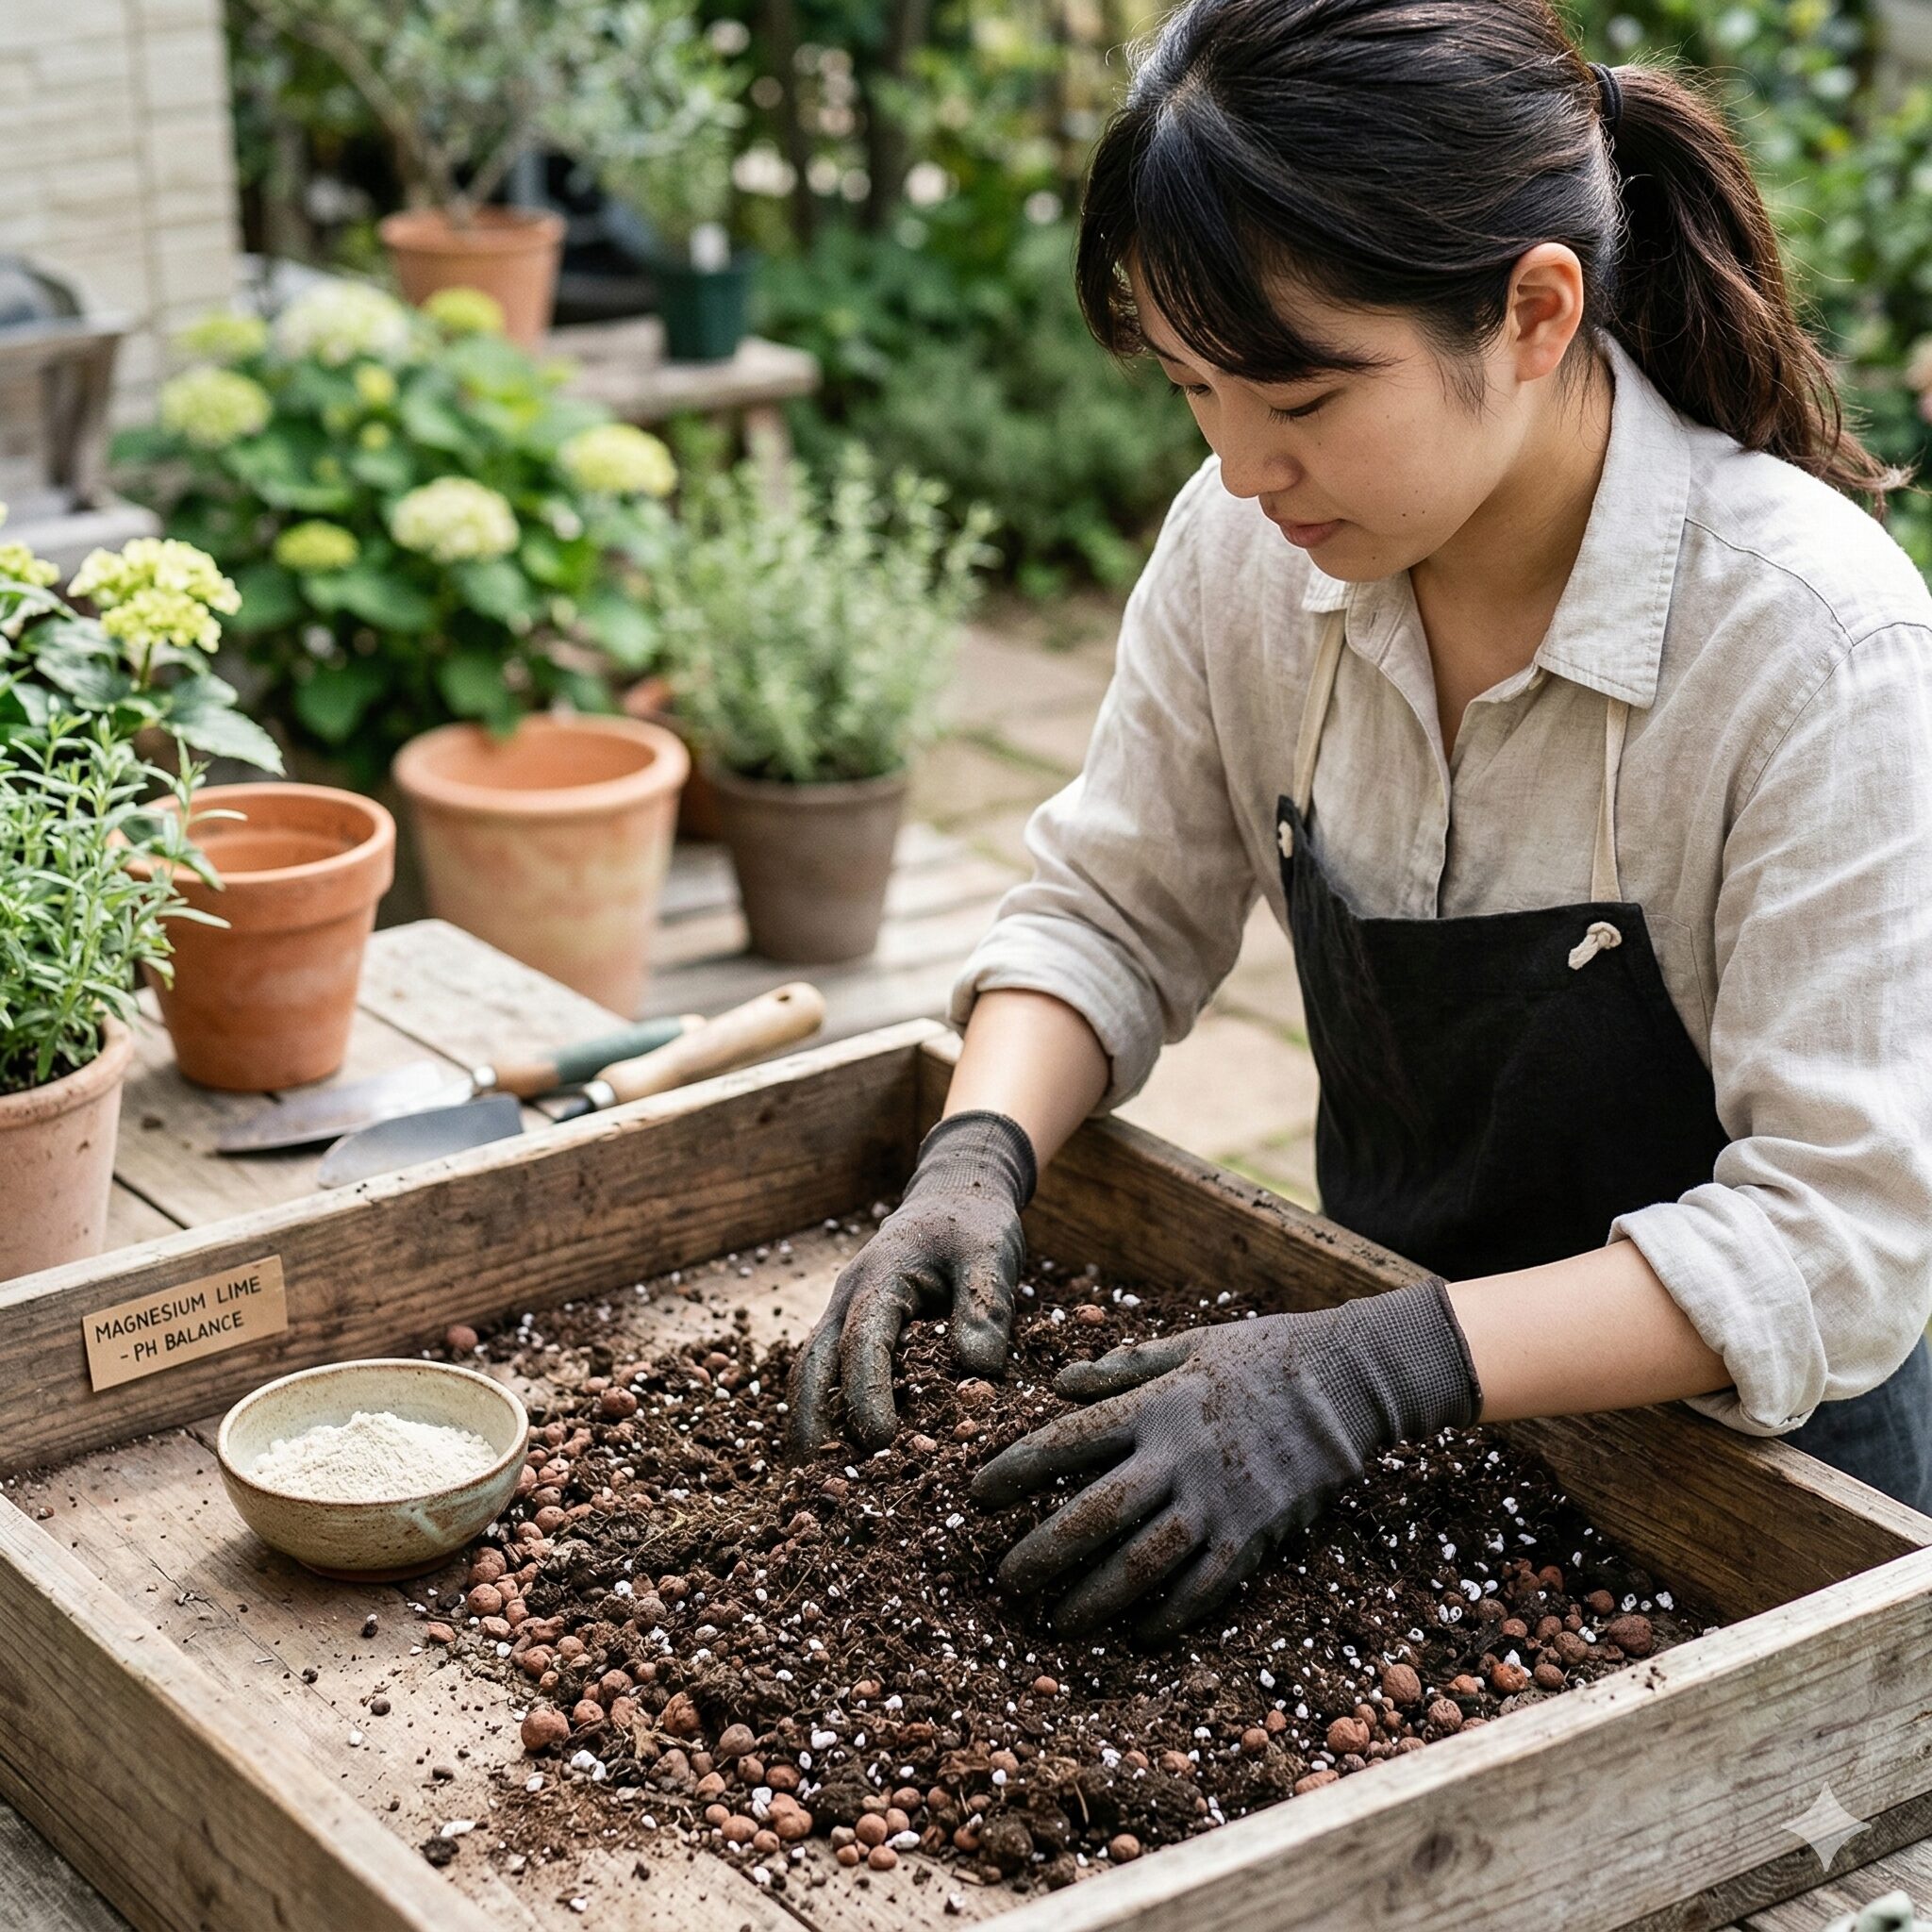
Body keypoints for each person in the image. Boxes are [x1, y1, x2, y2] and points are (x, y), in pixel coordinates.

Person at [788, 0, 1932, 1642]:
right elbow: (1113, 908)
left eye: (1301, 397)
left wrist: (1375, 1368)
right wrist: (975, 1157)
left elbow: (1840, 1239)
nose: (1244, 465)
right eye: (1193, 386)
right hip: (1374, 1461)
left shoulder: (1817, 649)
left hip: (1759, 1497)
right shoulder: (1248, 552)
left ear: (1533, 312)